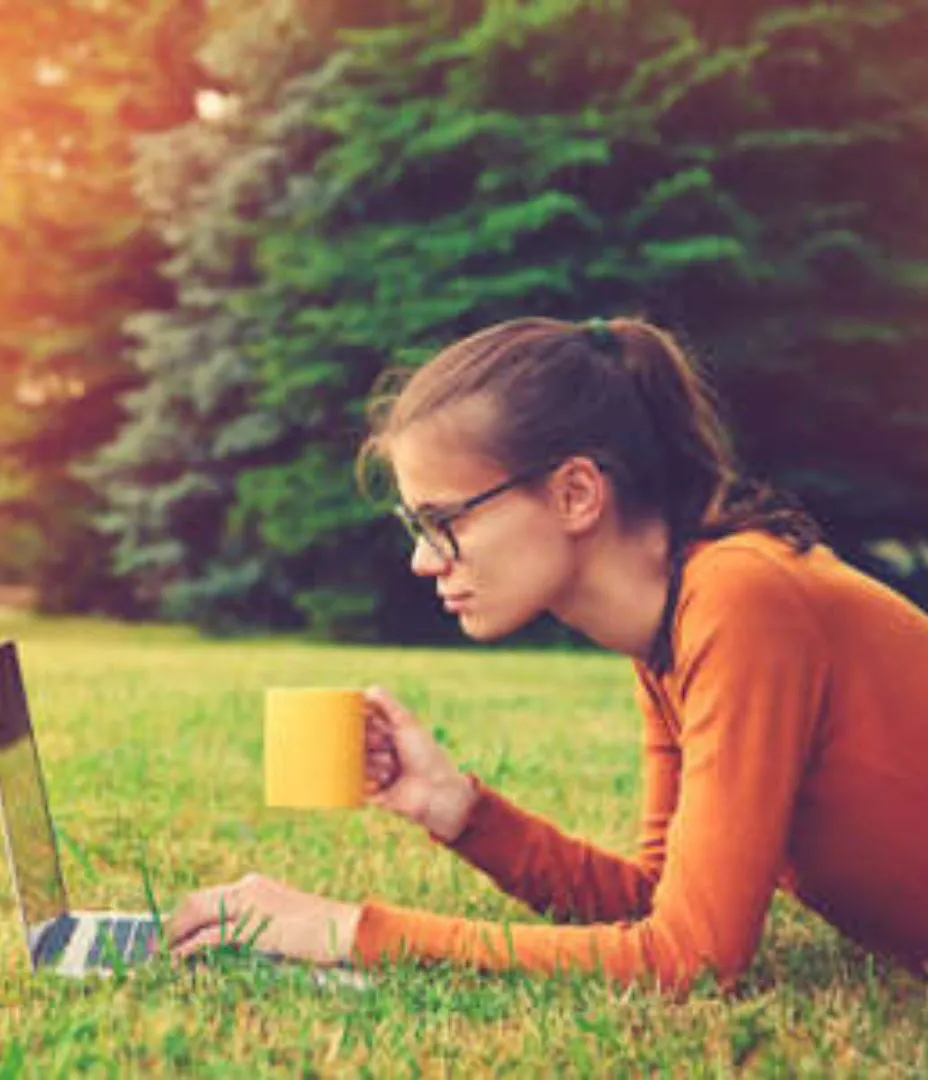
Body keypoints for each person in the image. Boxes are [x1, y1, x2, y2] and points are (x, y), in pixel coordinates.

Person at [166, 316, 928, 991]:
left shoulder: (740, 599)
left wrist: (344, 931)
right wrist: (459, 812)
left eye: (443, 521)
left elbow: (689, 959)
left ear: (575, 495)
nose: (425, 562)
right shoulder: (672, 628)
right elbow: (653, 905)